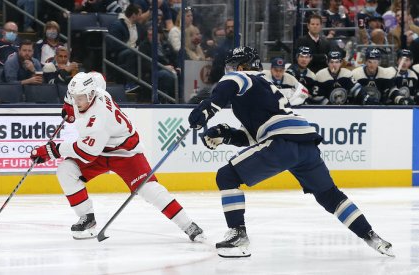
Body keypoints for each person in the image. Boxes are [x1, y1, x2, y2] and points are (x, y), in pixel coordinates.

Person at [188, 46, 394, 258]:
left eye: (231, 66)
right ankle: (370, 235)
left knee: (227, 176)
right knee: (329, 195)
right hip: (305, 144)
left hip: (282, 143)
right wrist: (226, 135)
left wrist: (205, 110)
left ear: (241, 66)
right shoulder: (263, 87)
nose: (229, 71)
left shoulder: (241, 78)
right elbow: (252, 136)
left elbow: (225, 90)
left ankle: (239, 237)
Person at [30, 71, 205, 241]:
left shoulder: (98, 119)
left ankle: (188, 225)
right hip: (100, 148)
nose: (76, 101)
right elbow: (97, 76)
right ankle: (87, 219)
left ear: (91, 95)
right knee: (66, 170)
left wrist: (51, 150)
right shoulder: (96, 89)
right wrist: (69, 107)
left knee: (150, 190)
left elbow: (87, 153)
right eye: (73, 97)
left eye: (79, 98)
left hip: (125, 152)